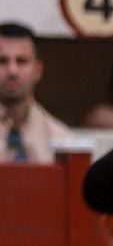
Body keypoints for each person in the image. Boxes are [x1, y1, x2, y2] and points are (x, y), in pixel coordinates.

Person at [1, 21, 73, 164]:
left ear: (38, 70)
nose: (12, 71)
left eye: (22, 61)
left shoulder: (62, 141)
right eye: (2, 61)